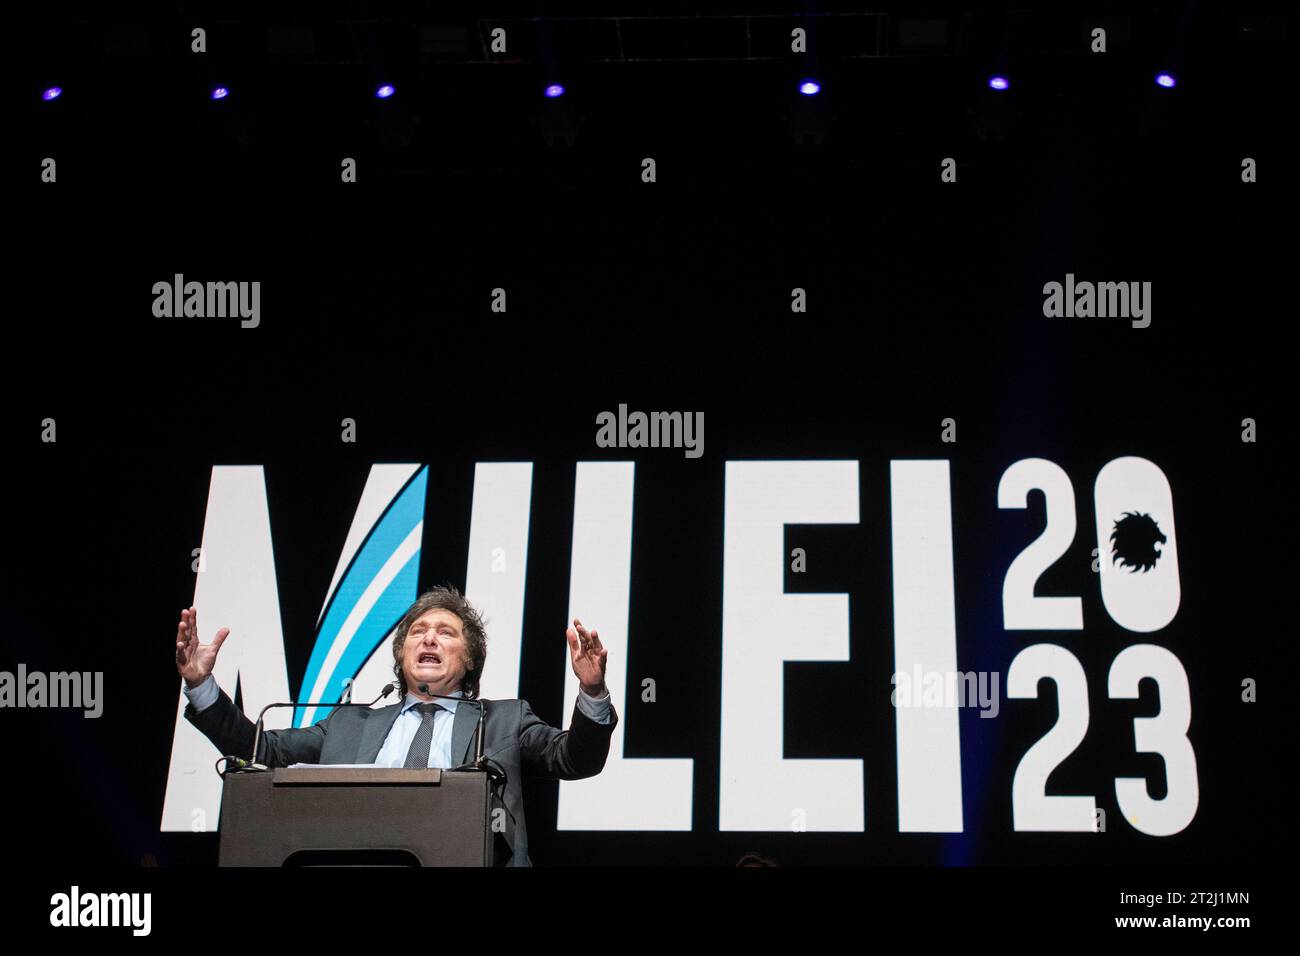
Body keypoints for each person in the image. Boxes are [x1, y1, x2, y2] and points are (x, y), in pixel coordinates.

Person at [173, 584, 616, 866]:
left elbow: (575, 758)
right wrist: (201, 685)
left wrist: (592, 692)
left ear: (469, 660)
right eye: (418, 631)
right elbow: (261, 753)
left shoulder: (503, 719)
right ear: (402, 657)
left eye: (446, 632)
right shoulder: (349, 723)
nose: (428, 638)